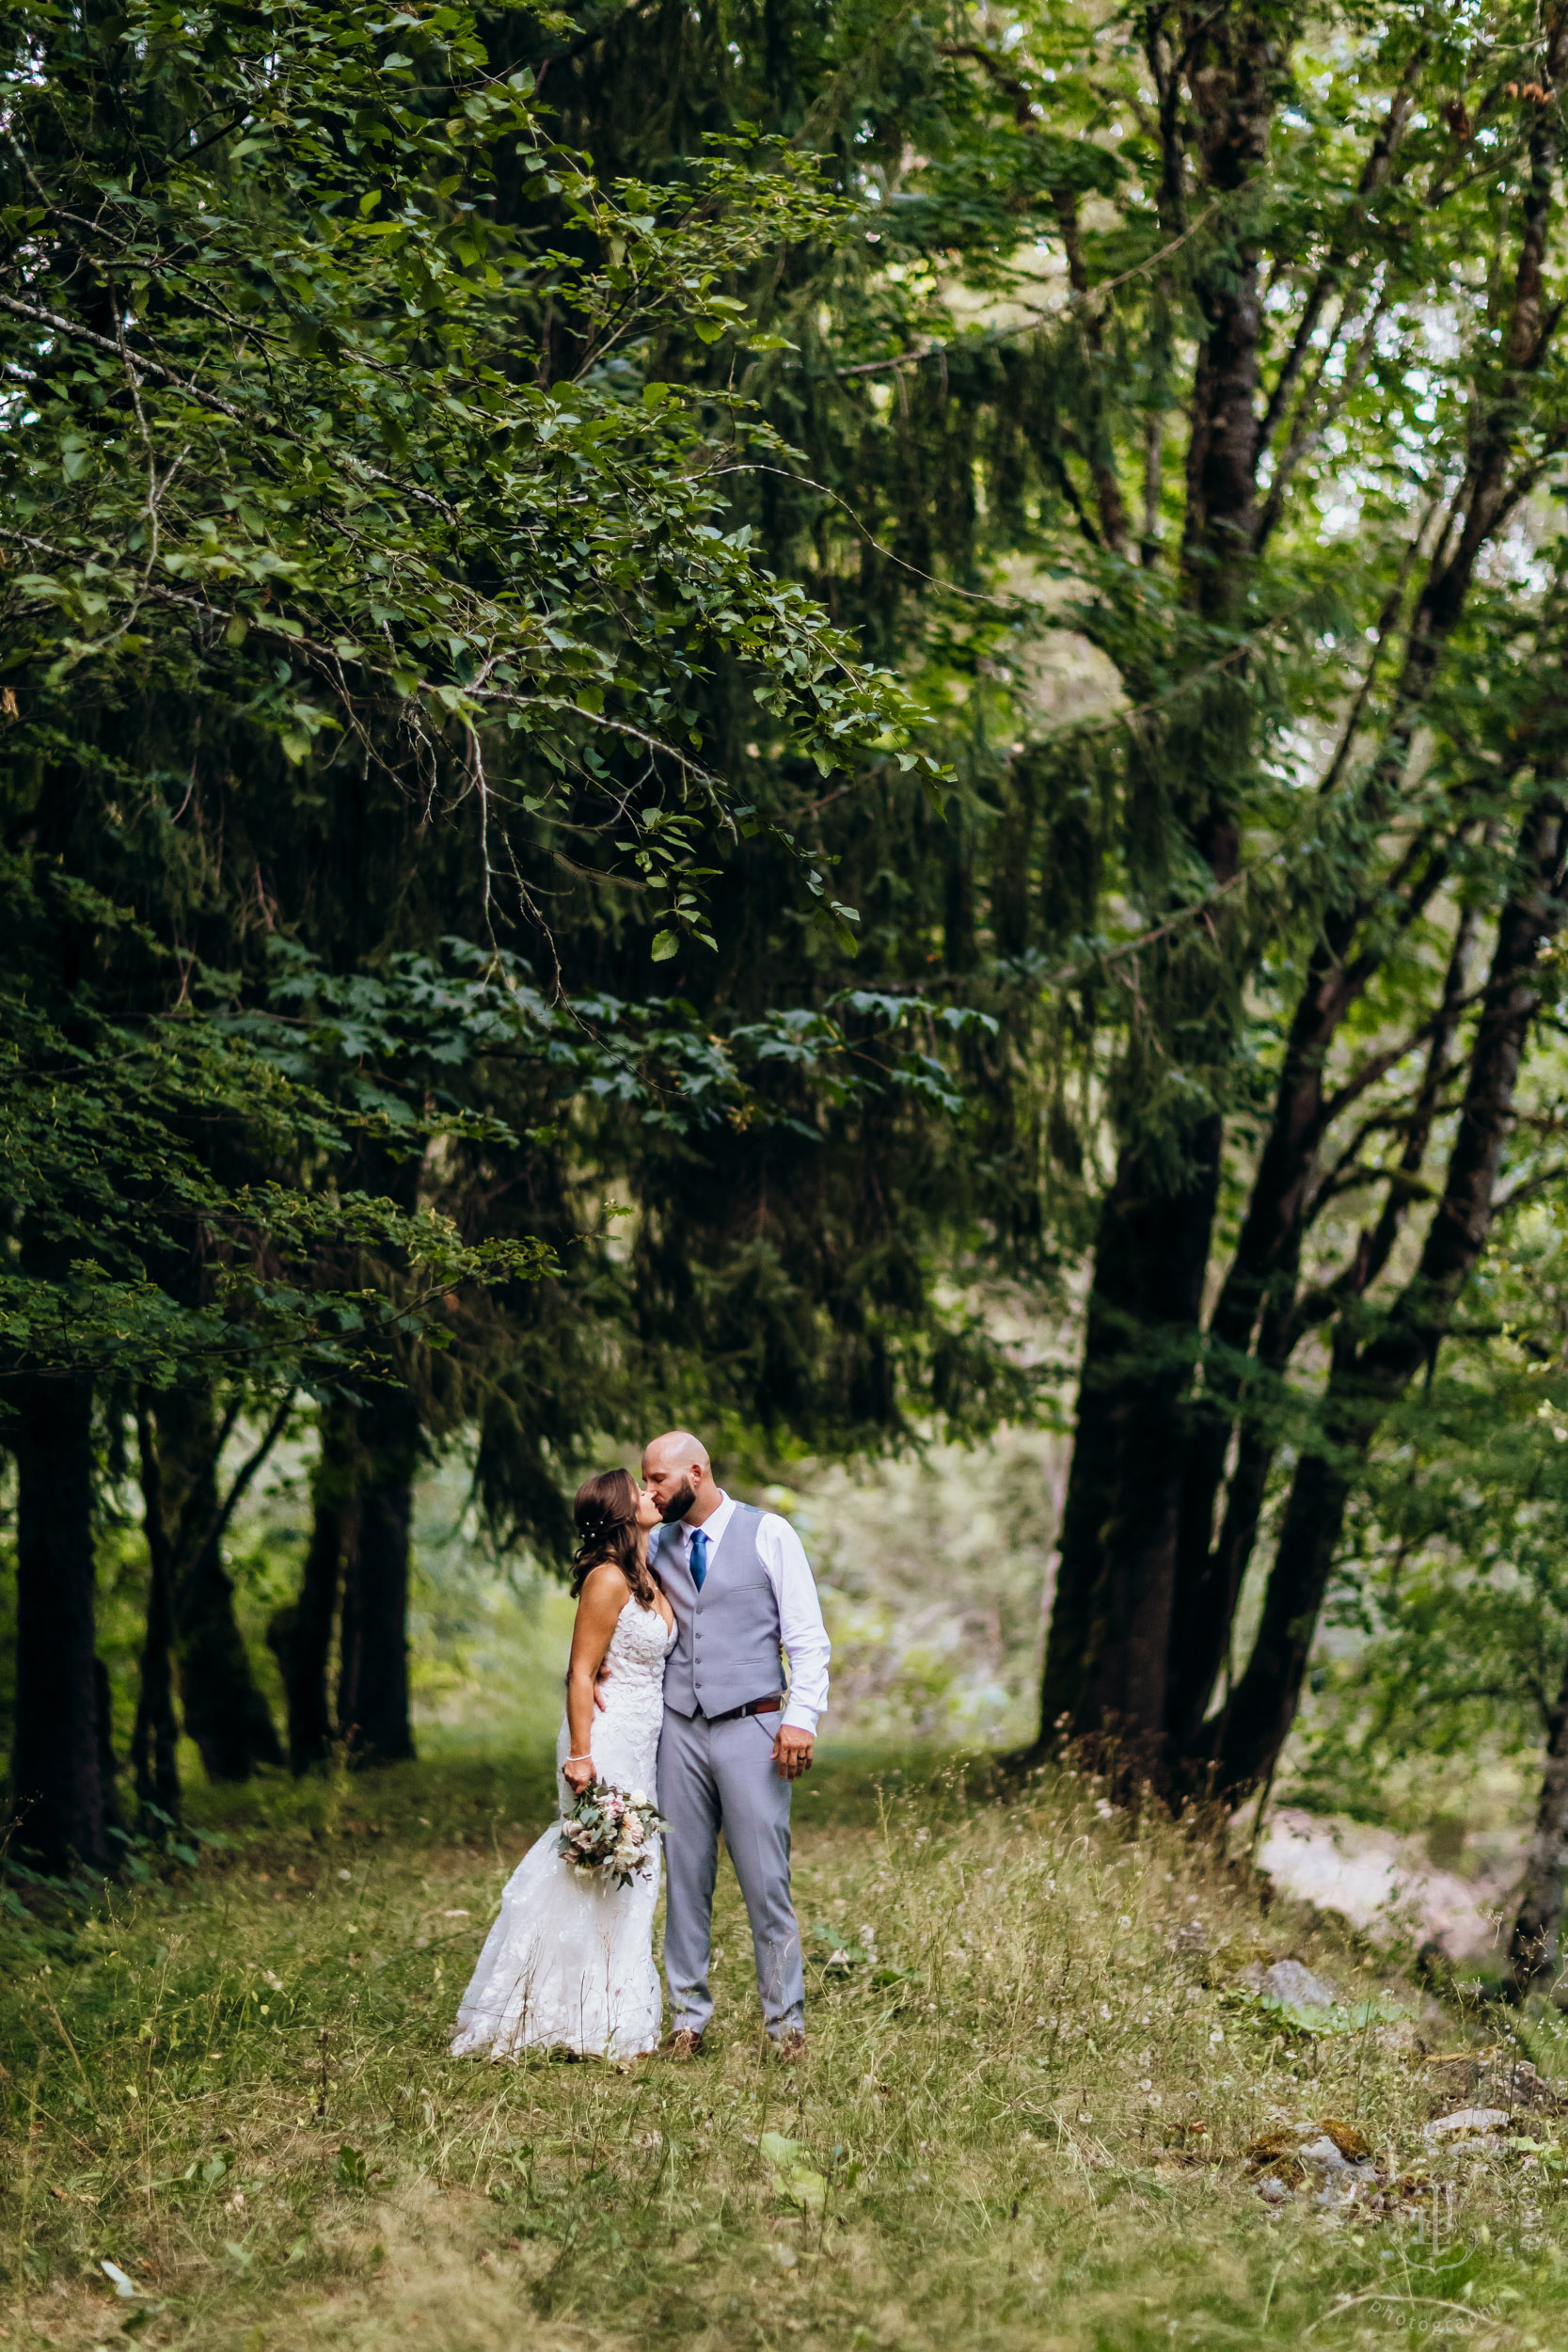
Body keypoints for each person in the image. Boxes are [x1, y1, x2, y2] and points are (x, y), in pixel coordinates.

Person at [451, 1469, 674, 2060]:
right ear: (621, 1512)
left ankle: (608, 2012)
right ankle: (562, 2014)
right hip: (603, 1741)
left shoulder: (645, 1575)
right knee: (600, 1864)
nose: (652, 1494)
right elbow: (581, 1671)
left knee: (632, 1868)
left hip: (642, 1739)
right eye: (640, 1491)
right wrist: (580, 1753)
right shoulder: (607, 1579)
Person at [641, 1428, 831, 2061]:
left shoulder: (768, 1533)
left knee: (764, 1879)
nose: (650, 1490)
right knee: (685, 1876)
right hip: (679, 1729)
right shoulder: (654, 1542)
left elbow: (806, 1638)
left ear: (695, 1472)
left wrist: (799, 1719)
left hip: (753, 1724)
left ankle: (785, 2027)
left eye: (658, 1480)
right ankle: (687, 2019)